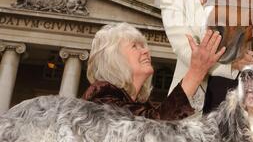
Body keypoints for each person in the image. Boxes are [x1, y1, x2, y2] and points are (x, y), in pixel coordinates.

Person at [82, 22, 225, 121]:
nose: (146, 51)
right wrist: (196, 72)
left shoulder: (142, 104)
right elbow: (153, 128)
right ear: (113, 58)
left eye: (144, 46)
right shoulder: (100, 94)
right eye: (135, 46)